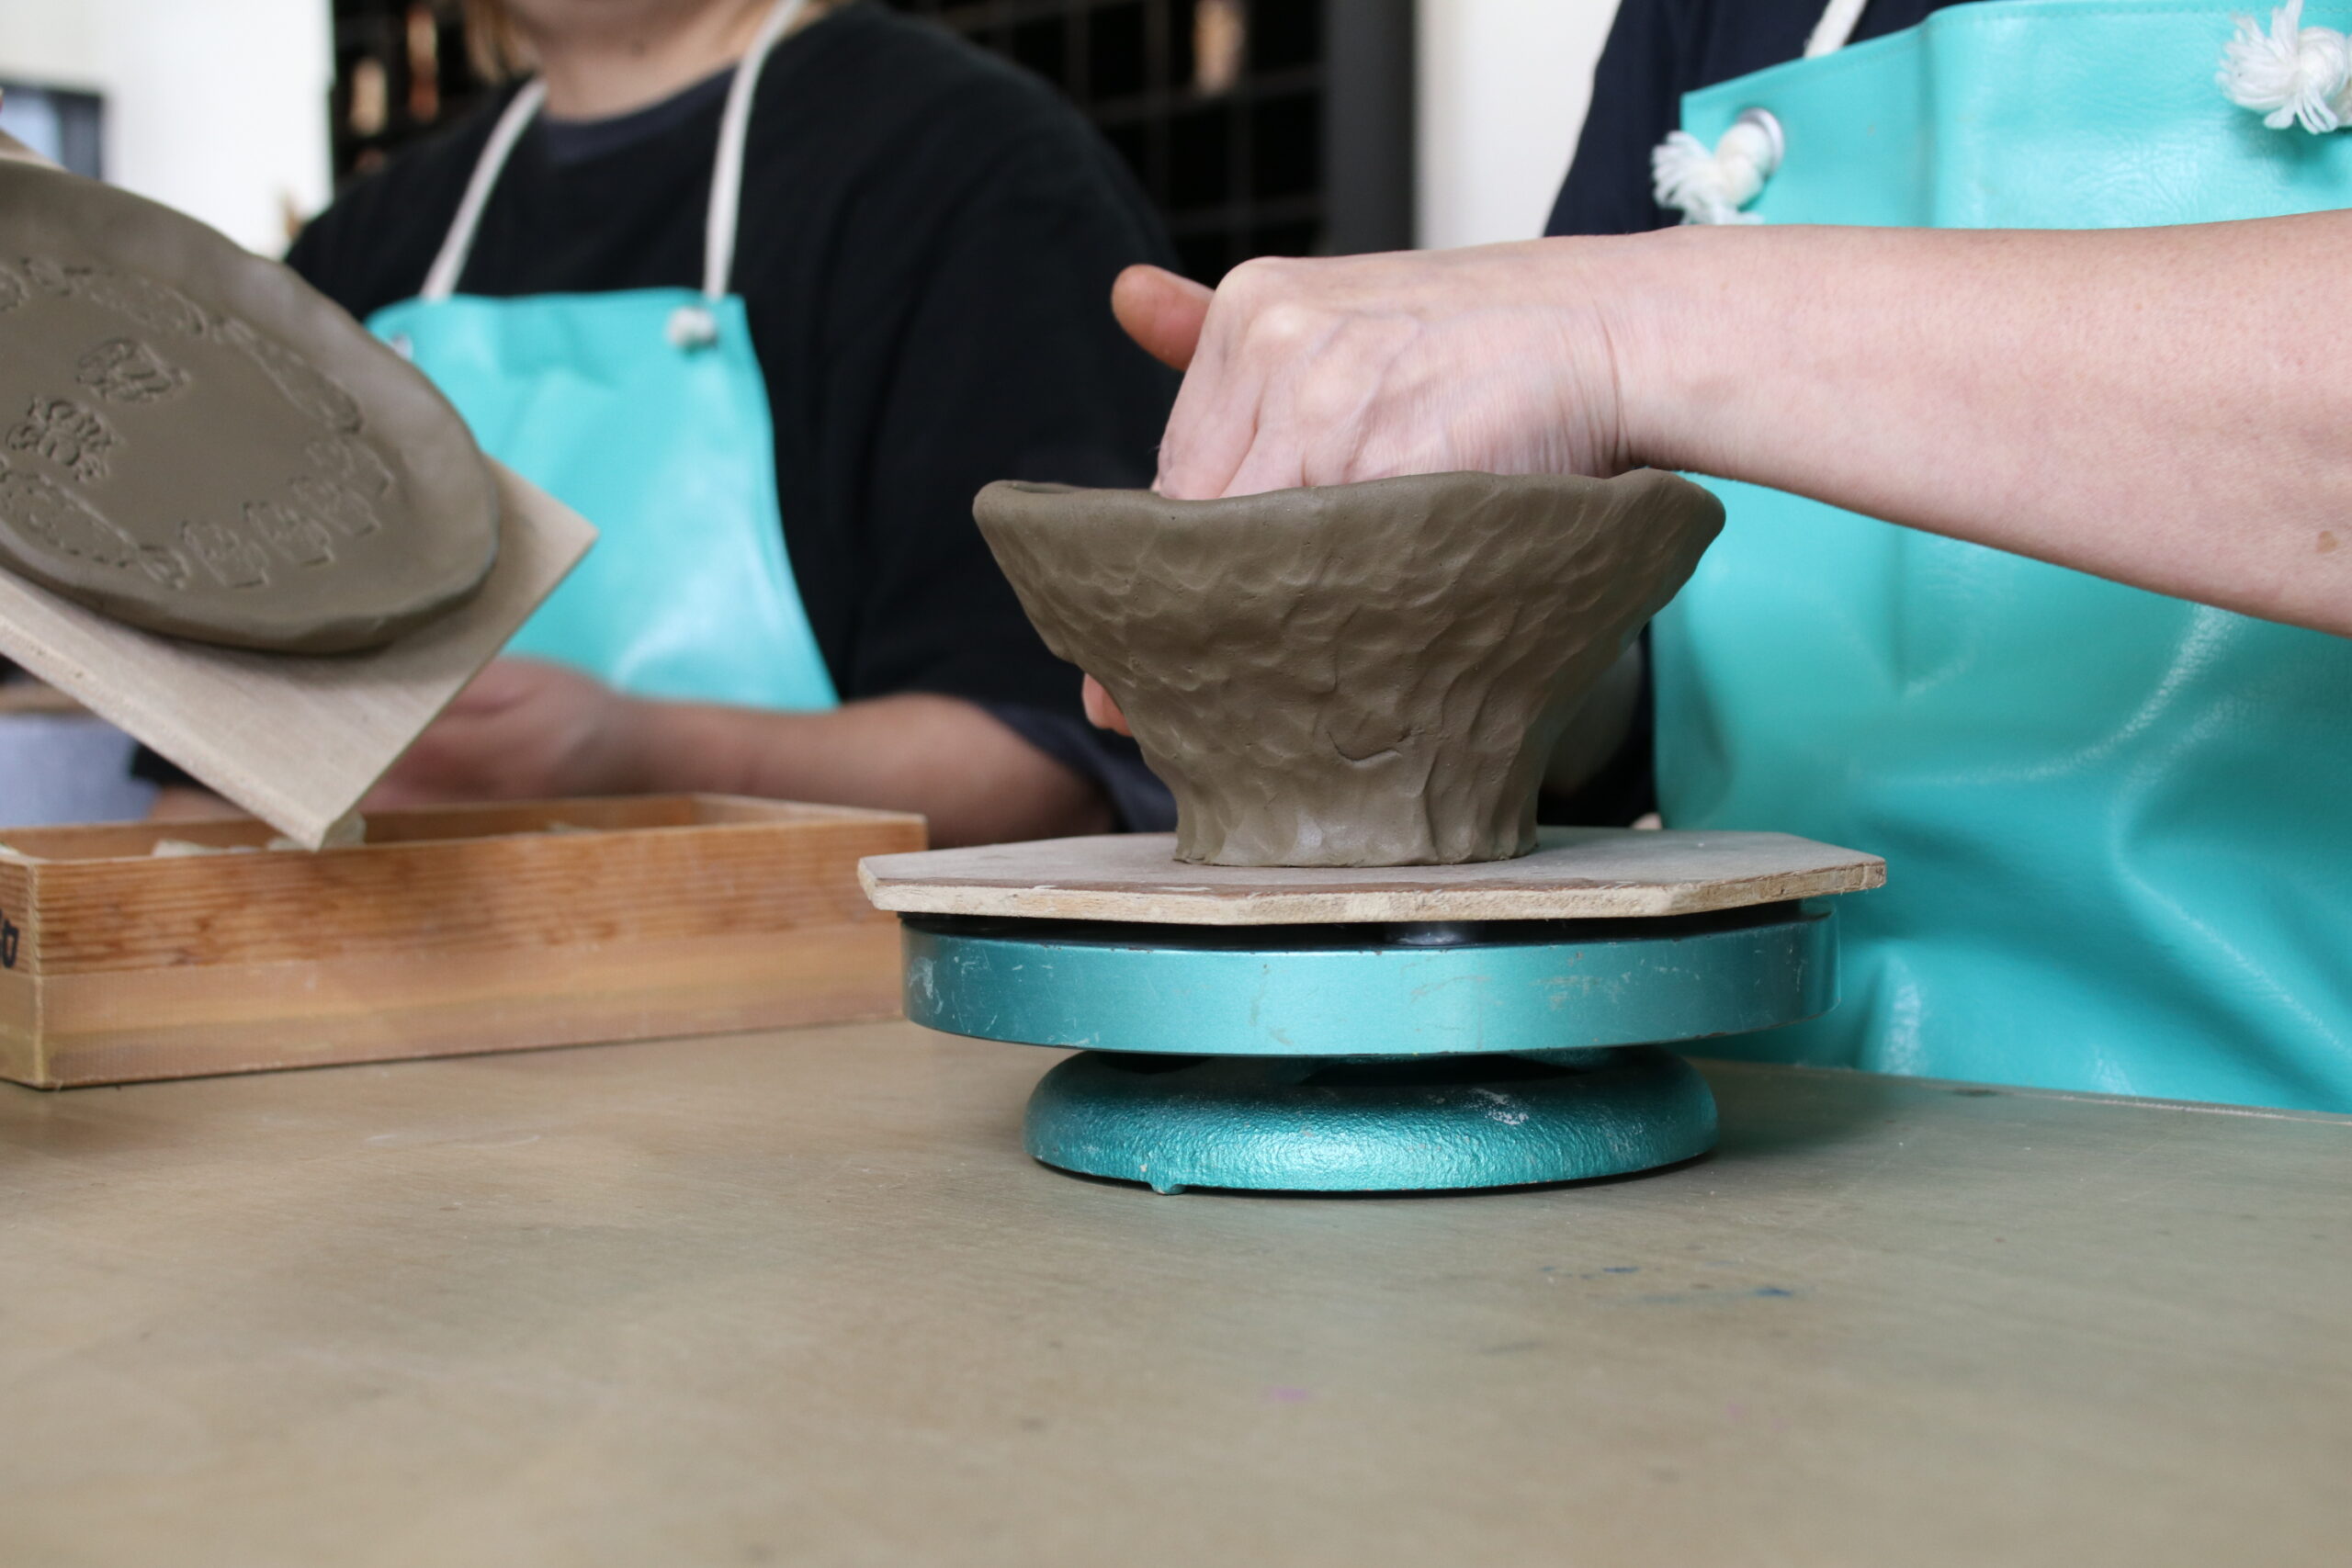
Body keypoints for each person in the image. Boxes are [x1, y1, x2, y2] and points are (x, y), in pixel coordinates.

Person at [1091, 0, 2352, 1111]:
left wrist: (1619, 316)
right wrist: (1436, 649)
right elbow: (1647, 673)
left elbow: (1599, 329)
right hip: (1761, 1133)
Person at [149, 0, 1179, 846]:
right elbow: (200, 791)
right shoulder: (367, 249)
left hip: (834, 1012)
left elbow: (1059, 765)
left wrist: (643, 760)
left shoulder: (970, 172)